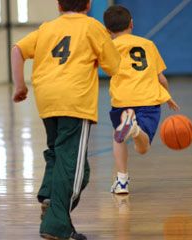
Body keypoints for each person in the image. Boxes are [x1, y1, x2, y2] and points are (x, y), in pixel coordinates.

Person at [11, 0, 120, 239]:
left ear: (59, 6)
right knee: (72, 169)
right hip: (75, 101)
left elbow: (17, 49)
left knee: (62, 155)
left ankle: (51, 197)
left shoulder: (47, 27)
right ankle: (56, 226)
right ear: (89, 5)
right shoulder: (93, 27)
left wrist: (20, 85)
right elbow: (113, 67)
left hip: (47, 99)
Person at [103, 5, 179, 195]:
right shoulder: (148, 44)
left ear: (107, 30)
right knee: (142, 148)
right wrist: (168, 96)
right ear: (132, 24)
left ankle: (121, 181)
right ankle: (135, 128)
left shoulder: (109, 47)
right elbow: (161, 78)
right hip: (148, 99)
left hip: (122, 100)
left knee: (118, 137)